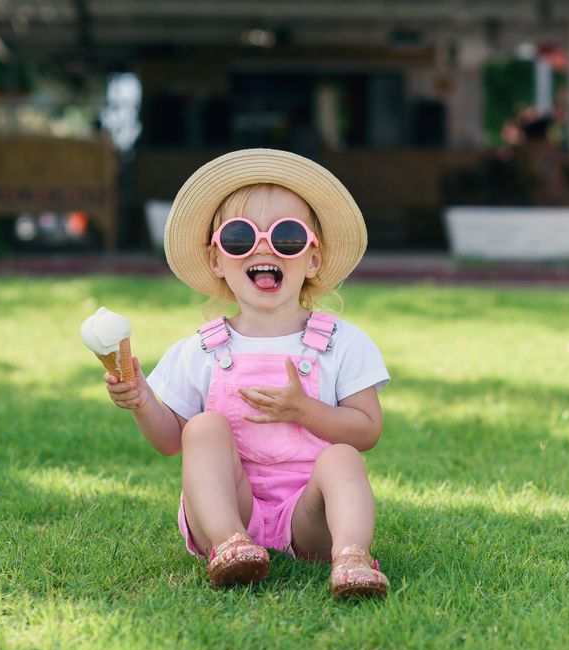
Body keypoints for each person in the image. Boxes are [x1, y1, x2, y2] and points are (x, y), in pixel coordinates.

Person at [102, 149, 390, 598]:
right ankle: (228, 544)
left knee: (342, 459)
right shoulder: (201, 349)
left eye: (287, 237)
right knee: (203, 428)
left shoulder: (341, 343)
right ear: (217, 260)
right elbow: (168, 441)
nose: (262, 247)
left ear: (312, 259)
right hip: (230, 506)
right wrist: (142, 401)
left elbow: (368, 430)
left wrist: (306, 410)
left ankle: (351, 555)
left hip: (309, 517)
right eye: (239, 237)